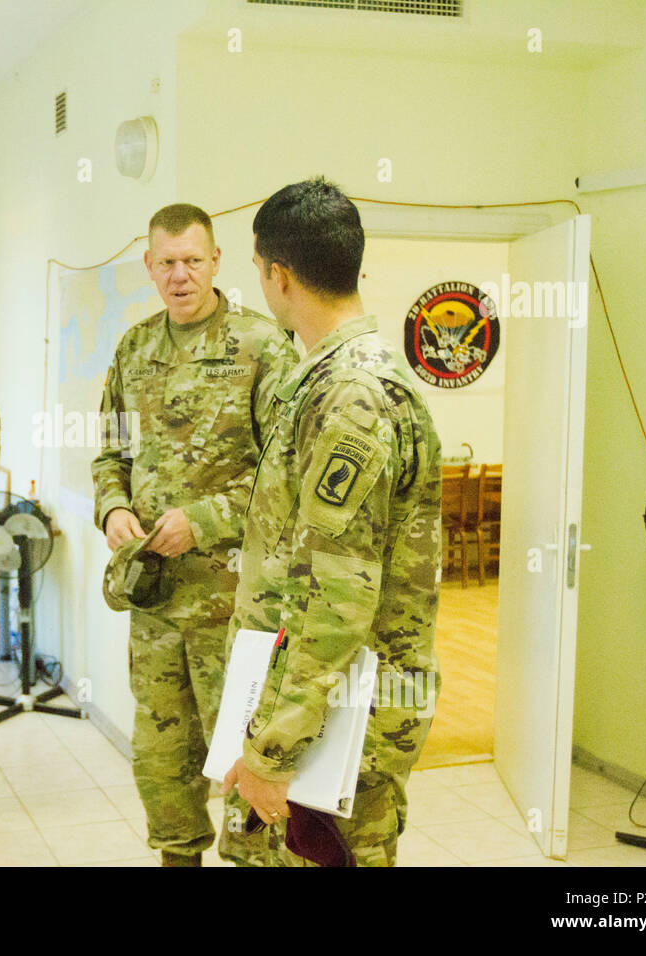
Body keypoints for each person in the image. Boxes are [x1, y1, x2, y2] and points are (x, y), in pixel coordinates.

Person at [218, 178, 442, 867]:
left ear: (277, 275)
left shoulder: (351, 396)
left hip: (335, 727)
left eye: (257, 269)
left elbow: (338, 598)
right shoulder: (325, 379)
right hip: (311, 707)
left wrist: (272, 750)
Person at [92, 204, 298, 866]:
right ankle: (176, 857)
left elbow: (287, 476)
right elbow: (109, 455)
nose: (179, 275)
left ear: (216, 261)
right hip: (153, 605)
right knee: (161, 758)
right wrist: (112, 508)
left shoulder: (261, 346)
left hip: (236, 611)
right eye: (166, 262)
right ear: (149, 267)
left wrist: (204, 519)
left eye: (192, 260)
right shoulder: (133, 349)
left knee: (244, 760)